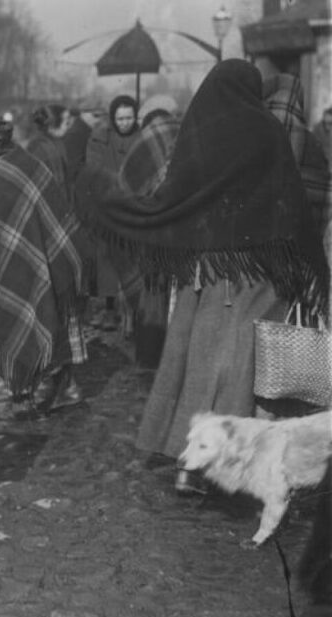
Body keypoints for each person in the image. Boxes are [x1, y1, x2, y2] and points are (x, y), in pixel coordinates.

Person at [74, 60, 329, 496]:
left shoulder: (199, 129)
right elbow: (290, 204)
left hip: (203, 272)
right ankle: (219, 469)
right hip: (256, 273)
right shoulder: (267, 130)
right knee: (237, 369)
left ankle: (185, 462)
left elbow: (173, 199)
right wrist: (308, 269)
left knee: (194, 361)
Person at [0, 118, 87, 418]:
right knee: (52, 320)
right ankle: (65, 386)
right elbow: (57, 214)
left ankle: (23, 392)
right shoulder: (33, 165)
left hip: (13, 271)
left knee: (16, 318)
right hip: (49, 262)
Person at [116, 93, 181, 369]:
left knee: (151, 294)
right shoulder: (186, 135)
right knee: (177, 298)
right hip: (181, 230)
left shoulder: (140, 144)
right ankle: (175, 356)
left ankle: (148, 356)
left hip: (148, 232)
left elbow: (125, 190)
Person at [85, 94, 139, 333]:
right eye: (120, 118)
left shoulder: (141, 138)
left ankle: (132, 312)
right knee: (106, 261)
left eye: (129, 118)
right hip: (109, 207)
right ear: (113, 118)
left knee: (132, 263)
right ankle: (109, 309)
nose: (125, 122)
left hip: (133, 209)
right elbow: (96, 170)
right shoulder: (103, 138)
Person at [263, 73, 331, 233]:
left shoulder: (252, 135)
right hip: (301, 241)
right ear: (299, 101)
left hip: (260, 243)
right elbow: (324, 197)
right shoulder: (312, 140)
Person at [26, 104, 71, 194]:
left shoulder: (55, 143)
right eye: (66, 122)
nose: (68, 126)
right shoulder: (43, 148)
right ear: (52, 125)